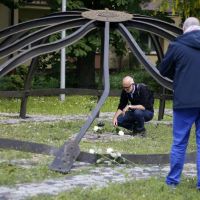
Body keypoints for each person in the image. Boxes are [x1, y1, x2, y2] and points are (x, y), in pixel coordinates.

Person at [158, 17, 200, 189]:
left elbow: (163, 69)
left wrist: (179, 77)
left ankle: (172, 182)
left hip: (184, 101)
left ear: (184, 29)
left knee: (179, 142)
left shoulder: (177, 45)